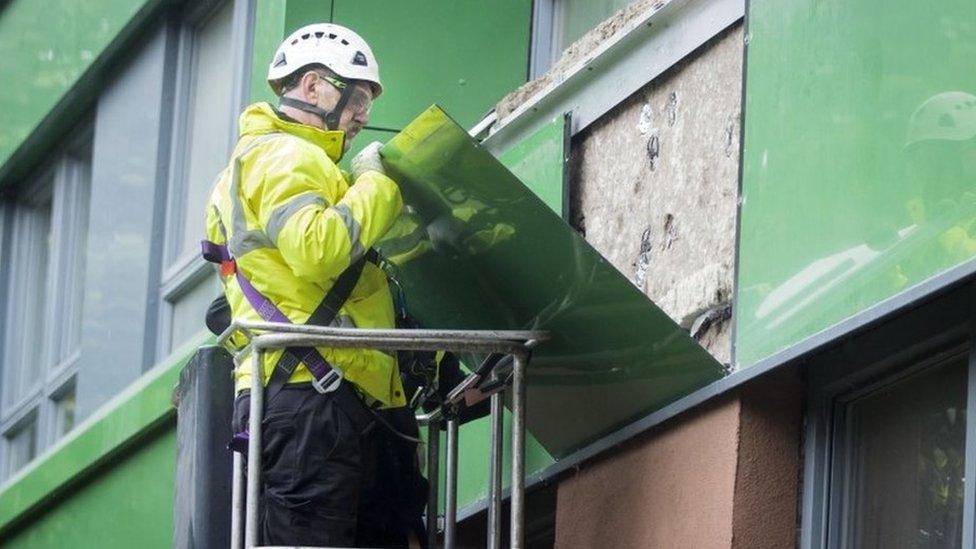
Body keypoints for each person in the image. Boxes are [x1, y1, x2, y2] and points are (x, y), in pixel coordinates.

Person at [201, 23, 423, 547]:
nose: (364, 116)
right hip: (313, 400)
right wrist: (377, 185)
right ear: (314, 86)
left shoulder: (284, 162)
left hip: (323, 395)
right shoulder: (284, 156)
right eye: (359, 97)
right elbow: (318, 248)